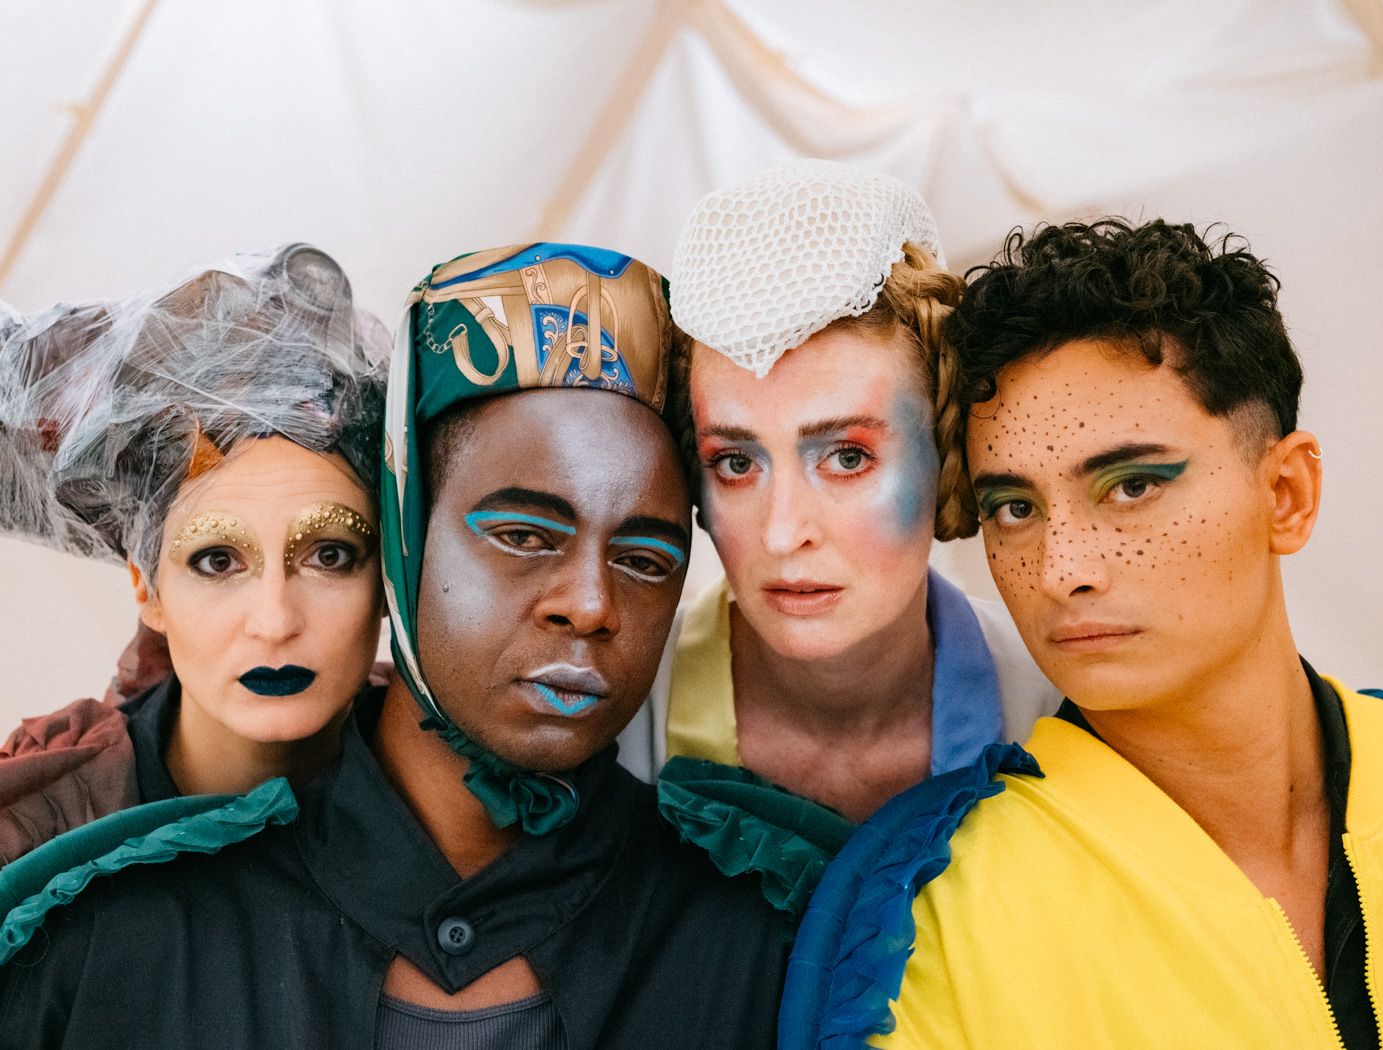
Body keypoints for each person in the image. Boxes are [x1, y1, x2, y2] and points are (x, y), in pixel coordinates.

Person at [0, 243, 788, 1048]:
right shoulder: (84, 913)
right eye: (522, 535)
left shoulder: (764, 927)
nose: (589, 607)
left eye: (331, 554)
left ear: (385, 564)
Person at [781, 219, 1383, 1047]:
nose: (1061, 568)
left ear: (1285, 494)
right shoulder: (926, 907)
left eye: (1132, 486)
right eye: (1015, 507)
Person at [620, 162, 1059, 827]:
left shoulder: (1057, 705)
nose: (781, 532)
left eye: (847, 458)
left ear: (946, 453)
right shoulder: (617, 721)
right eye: (736, 462)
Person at [0, 245, 388, 863]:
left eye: (330, 556)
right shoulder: (34, 825)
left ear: (388, 580)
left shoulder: (466, 784)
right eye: (217, 561)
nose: (275, 622)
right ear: (146, 587)